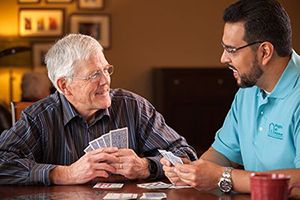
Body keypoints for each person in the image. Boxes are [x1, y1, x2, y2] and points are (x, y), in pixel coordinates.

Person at [0, 34, 197, 185]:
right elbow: (2, 162)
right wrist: (64, 173)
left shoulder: (133, 106)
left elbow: (185, 154)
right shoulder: (39, 118)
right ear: (64, 85)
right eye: (94, 74)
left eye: (105, 69)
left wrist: (145, 167)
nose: (105, 81)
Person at [161, 0, 300, 193]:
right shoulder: (248, 90)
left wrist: (223, 177)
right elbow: (222, 154)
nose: (223, 58)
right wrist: (192, 172)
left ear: (265, 52)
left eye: (231, 50)